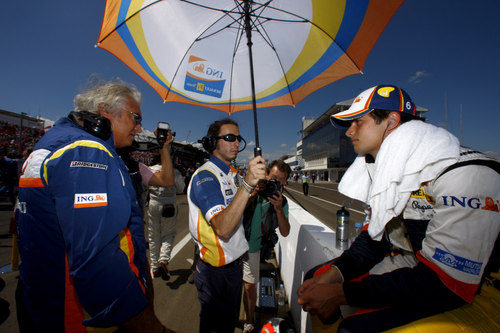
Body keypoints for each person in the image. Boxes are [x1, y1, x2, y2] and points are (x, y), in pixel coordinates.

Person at [297, 85, 500, 332]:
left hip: (480, 289)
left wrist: (341, 293)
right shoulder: (390, 169)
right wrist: (334, 276)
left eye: (357, 122)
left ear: (391, 121)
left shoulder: (466, 174)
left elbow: (446, 283)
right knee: (314, 279)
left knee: (354, 328)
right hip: (421, 265)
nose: (349, 133)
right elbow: (375, 239)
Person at [15, 79, 173, 332]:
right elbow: (97, 259)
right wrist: (149, 326)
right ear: (105, 112)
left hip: (42, 299)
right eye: (135, 118)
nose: (140, 127)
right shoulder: (87, 152)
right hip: (75, 314)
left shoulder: (55, 141)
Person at [187, 118, 266, 333]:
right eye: (229, 137)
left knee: (228, 326)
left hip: (233, 267)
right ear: (214, 141)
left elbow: (234, 211)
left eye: (238, 138)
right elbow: (222, 227)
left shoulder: (230, 174)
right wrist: (248, 185)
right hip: (215, 273)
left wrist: (248, 193)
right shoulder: (206, 175)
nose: (236, 143)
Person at [242, 160, 291, 333]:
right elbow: (236, 209)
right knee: (233, 285)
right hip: (234, 244)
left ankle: (248, 321)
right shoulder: (251, 188)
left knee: (249, 286)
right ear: (267, 174)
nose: (275, 181)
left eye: (281, 180)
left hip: (253, 248)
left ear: (284, 183)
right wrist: (254, 193)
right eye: (274, 177)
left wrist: (278, 210)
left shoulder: (281, 202)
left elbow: (285, 232)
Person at [146, 138, 177, 280]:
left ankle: (154, 267)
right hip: (169, 205)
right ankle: (163, 260)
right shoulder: (174, 172)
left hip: (153, 203)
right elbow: (182, 187)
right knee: (168, 234)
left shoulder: (149, 170)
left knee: (154, 236)